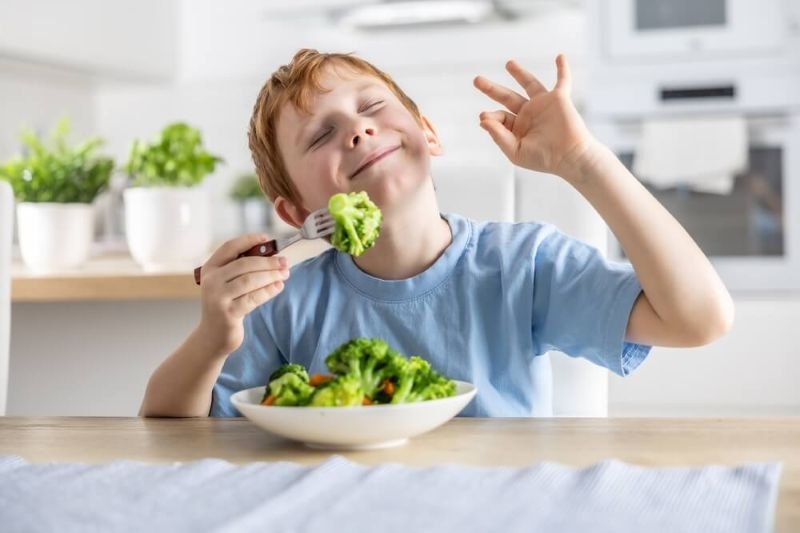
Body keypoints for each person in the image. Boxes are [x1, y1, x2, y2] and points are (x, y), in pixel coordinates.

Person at [140, 49, 734, 418]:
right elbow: (167, 427)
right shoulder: (283, 302)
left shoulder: (522, 266)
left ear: (428, 133)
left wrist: (585, 162)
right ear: (295, 212)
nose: (358, 131)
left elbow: (699, 318)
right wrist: (213, 336)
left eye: (373, 106)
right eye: (321, 136)